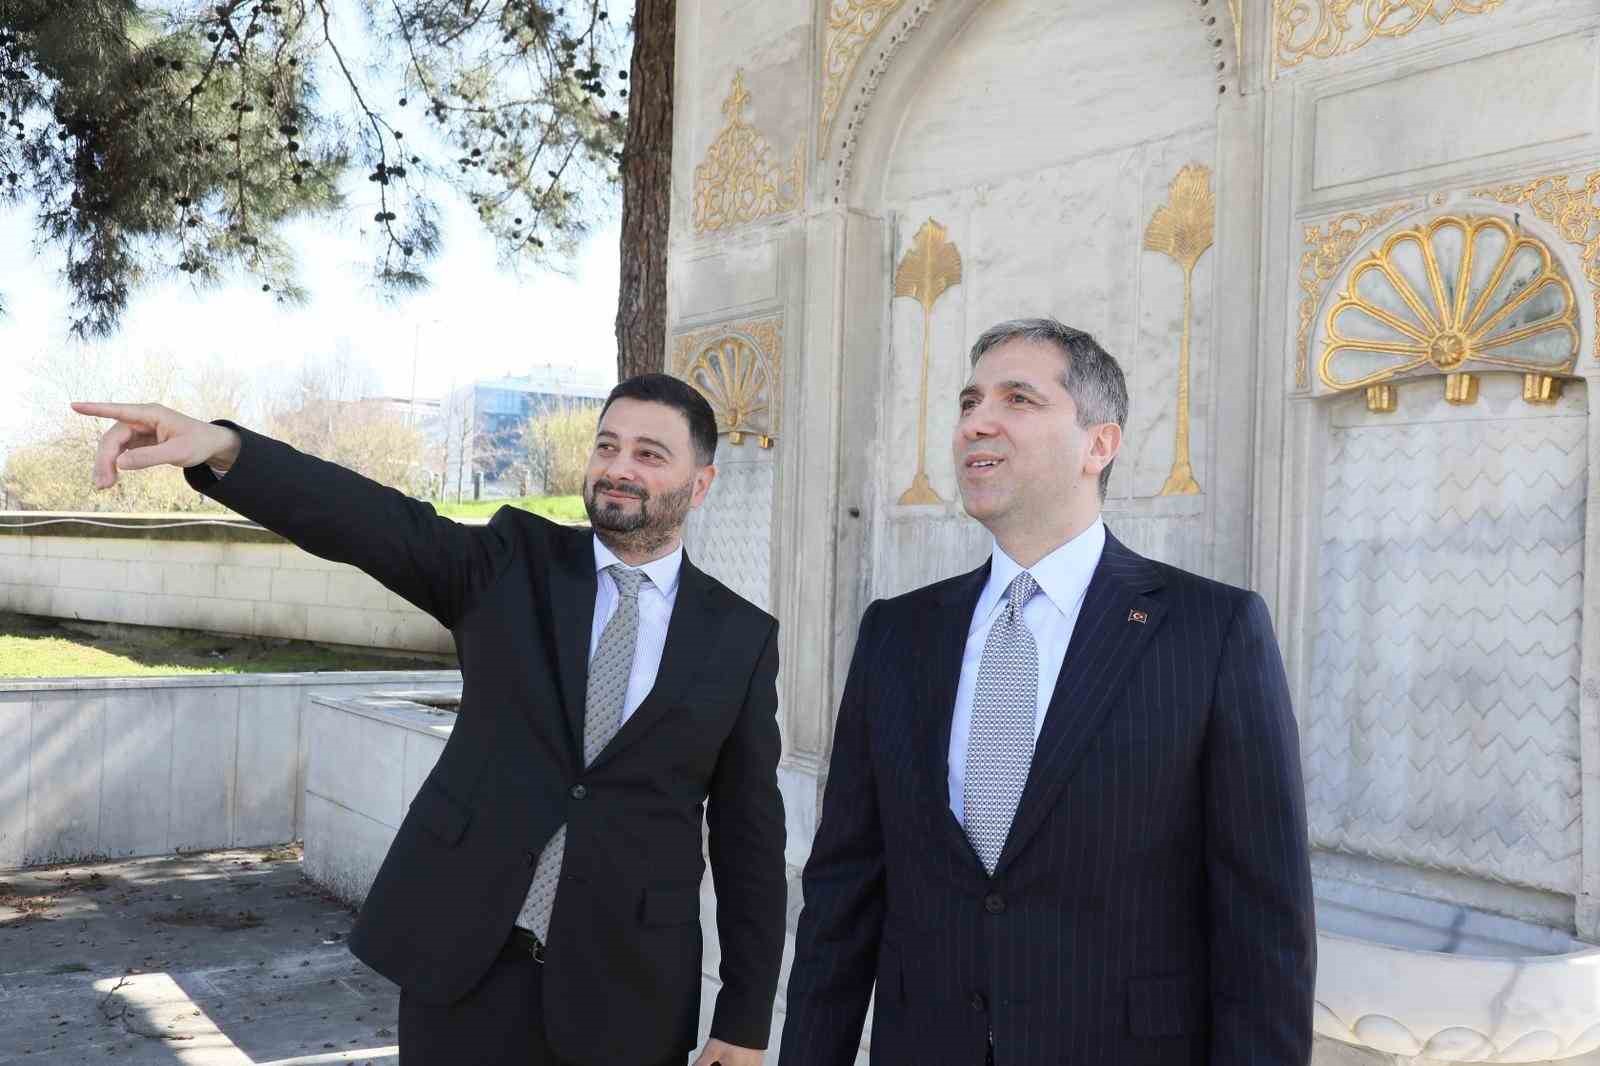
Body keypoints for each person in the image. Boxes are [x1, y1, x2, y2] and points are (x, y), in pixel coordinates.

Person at [74, 373, 786, 1066]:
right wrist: (225, 448)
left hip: (627, 990)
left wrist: (746, 1018)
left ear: (701, 483)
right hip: (468, 964)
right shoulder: (513, 563)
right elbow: (376, 522)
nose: (617, 468)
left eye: (648, 454)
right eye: (607, 446)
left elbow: (749, 840)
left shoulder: (739, 637)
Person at [779, 319, 1315, 1066]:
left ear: (1100, 444)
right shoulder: (896, 634)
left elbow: (1265, 923)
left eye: (1018, 399)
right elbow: (843, 890)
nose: (975, 423)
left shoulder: (1211, 631)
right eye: (968, 402)